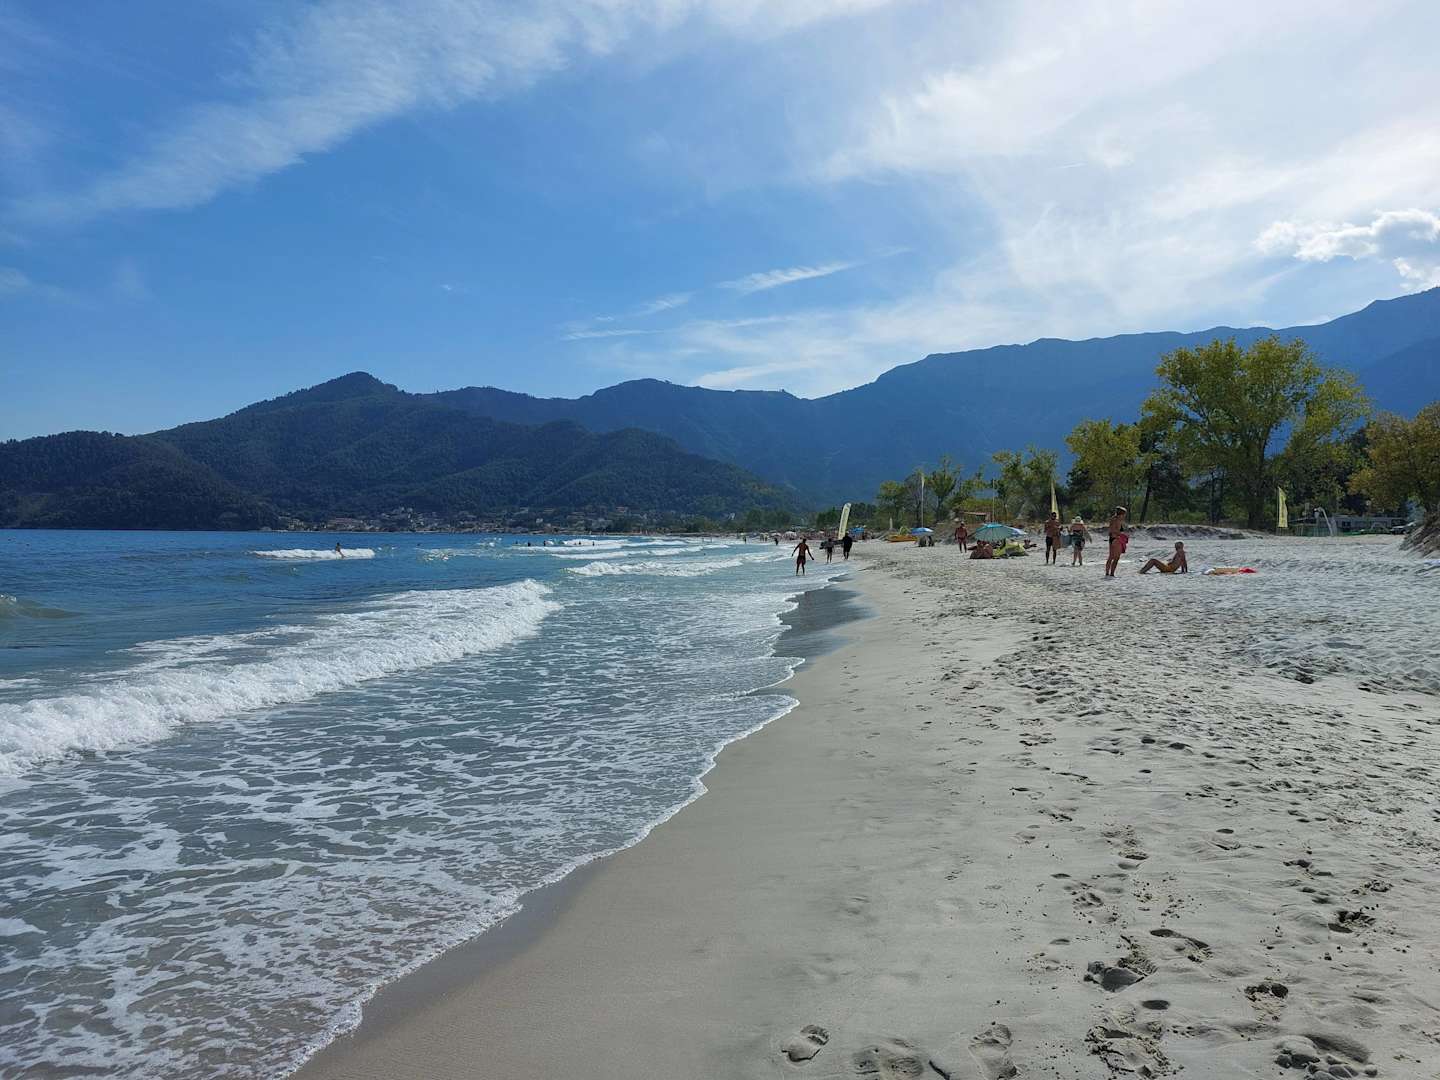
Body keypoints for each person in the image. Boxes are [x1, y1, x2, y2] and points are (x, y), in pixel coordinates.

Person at [1105, 506, 1128, 578]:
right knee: (1116, 558)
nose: (1125, 516)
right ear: (1122, 514)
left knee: (1111, 557)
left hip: (1111, 538)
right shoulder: (1118, 520)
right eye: (1124, 514)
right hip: (1116, 539)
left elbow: (1110, 530)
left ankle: (1107, 573)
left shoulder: (1113, 518)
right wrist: (1122, 534)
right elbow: (1114, 530)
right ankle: (1112, 574)